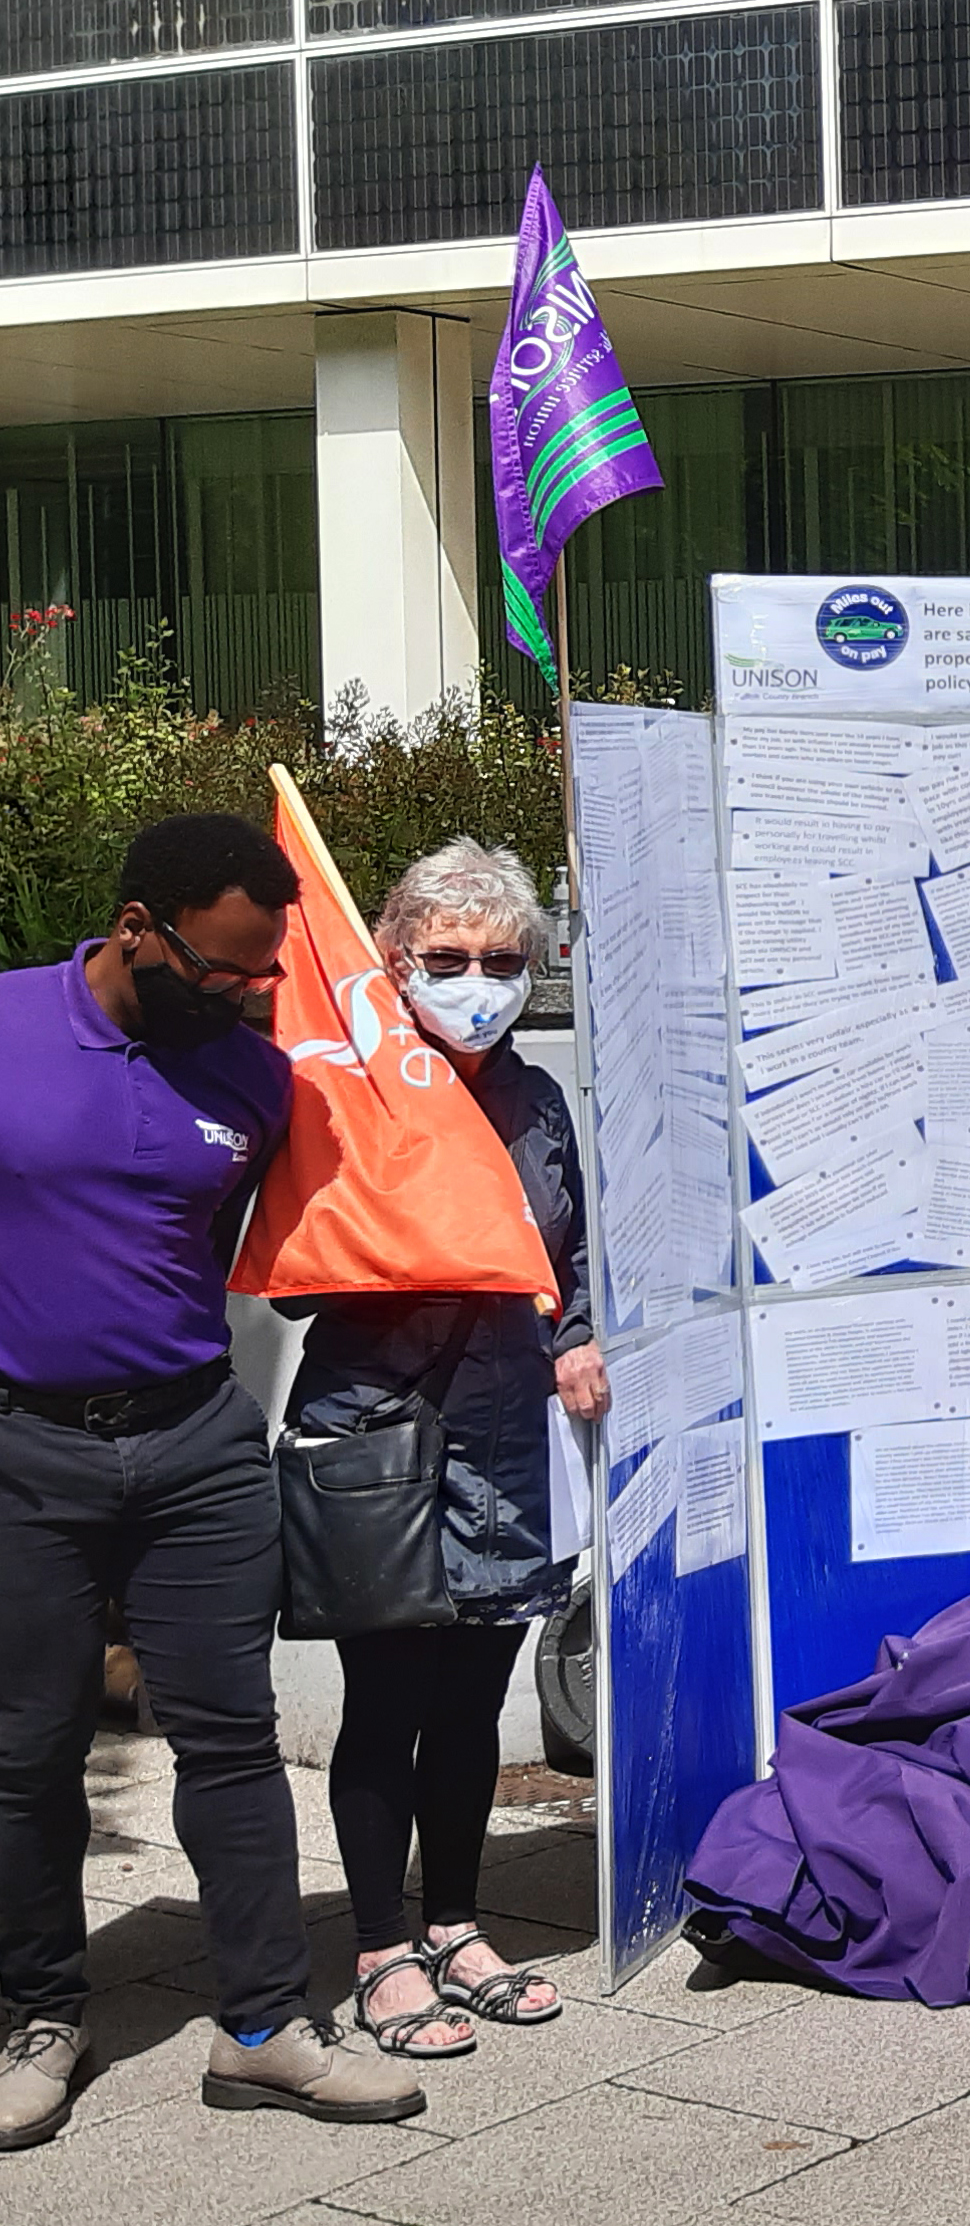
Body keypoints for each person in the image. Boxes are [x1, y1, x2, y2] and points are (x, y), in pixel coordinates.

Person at [1, 815, 424, 2146]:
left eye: (264, 977)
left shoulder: (253, 1078)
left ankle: (263, 2029)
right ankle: (40, 2020)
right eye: (228, 970)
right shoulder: (8, 1026)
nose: (250, 998)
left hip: (197, 1450)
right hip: (24, 1452)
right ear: (138, 927)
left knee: (232, 1744)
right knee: (27, 1756)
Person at [279, 842, 595, 2062]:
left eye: (502, 960)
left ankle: (459, 1924)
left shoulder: (539, 1103)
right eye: (448, 957)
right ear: (394, 959)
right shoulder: (341, 1092)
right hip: (379, 1436)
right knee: (386, 1704)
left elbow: (565, 1266)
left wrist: (577, 1338)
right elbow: (294, 1284)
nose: (477, 979)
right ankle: (376, 1949)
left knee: (473, 1704)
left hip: (510, 1441)